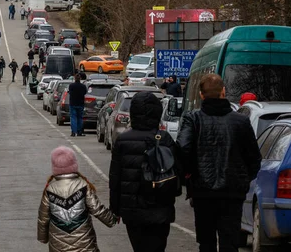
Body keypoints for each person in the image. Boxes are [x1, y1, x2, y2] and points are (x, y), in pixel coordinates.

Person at [177, 74, 261, 252]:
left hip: (203, 192)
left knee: (206, 241)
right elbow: (254, 157)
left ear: (201, 95)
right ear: (223, 92)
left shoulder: (193, 119)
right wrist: (243, 179)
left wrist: (190, 175)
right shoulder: (241, 121)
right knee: (229, 242)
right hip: (232, 193)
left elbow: (183, 149)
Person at [109, 92, 182, 252]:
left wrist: (115, 207)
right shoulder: (164, 138)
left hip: (132, 209)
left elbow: (115, 177)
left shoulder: (123, 140)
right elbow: (177, 171)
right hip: (160, 206)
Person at [38, 146, 116, 251]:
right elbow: (96, 209)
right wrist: (112, 219)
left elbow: (43, 218)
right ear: (74, 164)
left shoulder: (49, 189)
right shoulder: (83, 185)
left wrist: (43, 238)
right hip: (85, 245)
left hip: (58, 246)